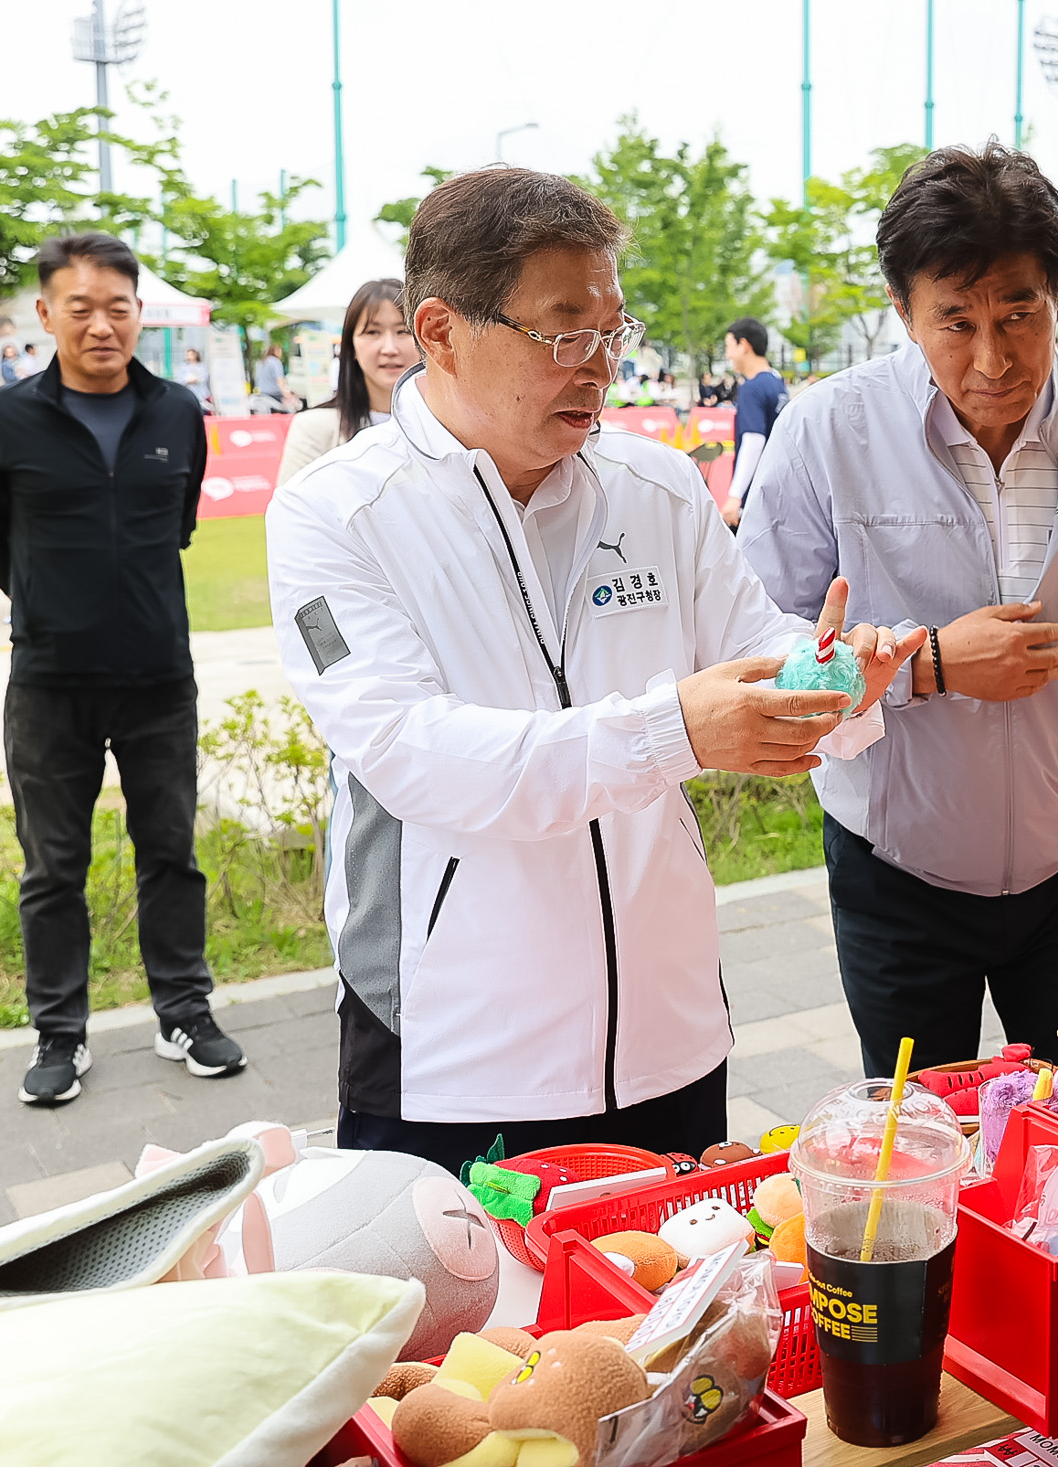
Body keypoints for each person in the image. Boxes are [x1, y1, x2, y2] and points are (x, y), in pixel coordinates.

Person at [267, 168, 916, 1171]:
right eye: (565, 333)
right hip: (454, 1056)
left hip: (667, 1028)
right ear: (439, 331)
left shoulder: (651, 483)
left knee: (674, 1314)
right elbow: (416, 756)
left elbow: (749, 646)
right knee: (472, 1327)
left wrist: (832, 677)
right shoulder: (334, 516)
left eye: (614, 332)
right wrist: (676, 728)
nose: (600, 367)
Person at [740, 144, 1058, 1077]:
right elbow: (759, 655)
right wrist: (930, 666)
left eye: (1019, 313)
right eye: (954, 322)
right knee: (919, 1144)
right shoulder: (827, 433)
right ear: (902, 310)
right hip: (898, 868)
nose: (993, 357)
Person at [0, 233, 243, 1108]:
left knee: (171, 851)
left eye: (117, 307)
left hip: (161, 676)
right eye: (79, 307)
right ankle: (59, 1032)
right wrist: (47, 598)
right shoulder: (4, 418)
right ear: (45, 314)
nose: (100, 324)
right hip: (49, 682)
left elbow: (178, 524)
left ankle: (184, 1011)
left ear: (138, 314)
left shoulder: (175, 412)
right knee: (53, 867)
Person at [279, 278, 413, 483]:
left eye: (403, 331)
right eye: (372, 332)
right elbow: (293, 513)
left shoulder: (450, 428)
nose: (389, 348)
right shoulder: (314, 429)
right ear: (351, 346)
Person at [719, 318, 786, 530]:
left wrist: (735, 496)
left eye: (729, 346)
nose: (728, 354)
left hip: (757, 492)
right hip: (779, 487)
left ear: (744, 345)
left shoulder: (752, 388)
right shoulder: (777, 383)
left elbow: (753, 440)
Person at [252, 344, 291, 414]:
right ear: (275, 351)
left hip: (261, 395)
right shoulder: (276, 362)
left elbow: (257, 379)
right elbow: (280, 382)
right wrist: (288, 395)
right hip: (274, 395)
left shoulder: (260, 362)